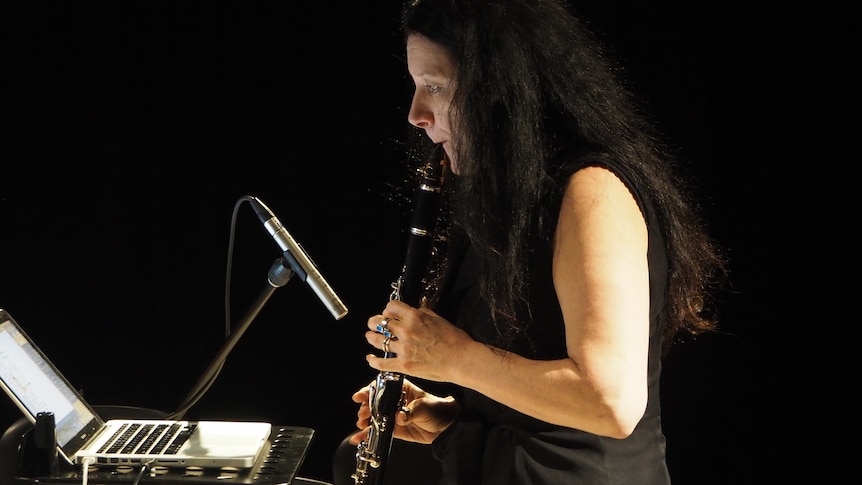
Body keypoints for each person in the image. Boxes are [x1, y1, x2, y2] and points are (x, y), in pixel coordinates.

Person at [339, 0, 727, 484]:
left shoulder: (591, 192)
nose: (416, 115)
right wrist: (449, 420)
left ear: (499, 88)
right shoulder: (501, 199)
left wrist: (454, 358)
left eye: (434, 87)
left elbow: (610, 403)